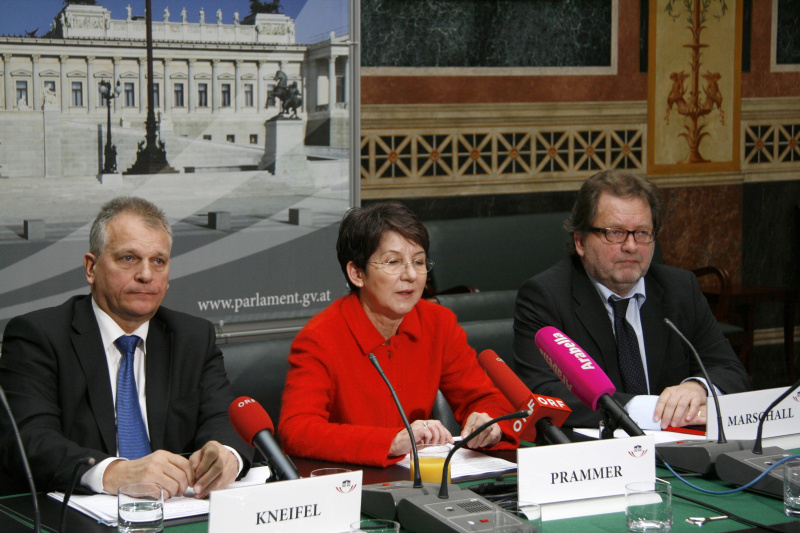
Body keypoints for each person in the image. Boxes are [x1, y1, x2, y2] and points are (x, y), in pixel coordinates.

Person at [0, 197, 251, 498]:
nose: (146, 274)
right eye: (129, 258)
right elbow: (28, 441)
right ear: (91, 268)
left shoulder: (192, 337)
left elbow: (226, 419)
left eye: (158, 261)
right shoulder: (39, 336)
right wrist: (113, 473)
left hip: (176, 510)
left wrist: (224, 456)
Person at [278, 202, 519, 466]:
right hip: (350, 481)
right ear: (357, 273)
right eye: (393, 262)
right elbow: (297, 430)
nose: (411, 275)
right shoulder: (320, 338)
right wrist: (391, 442)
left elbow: (485, 400)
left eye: (418, 261)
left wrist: (487, 424)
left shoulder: (437, 323)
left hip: (421, 477)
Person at [513, 170, 750, 431]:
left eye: (642, 233)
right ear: (580, 241)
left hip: (681, 449)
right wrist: (648, 409)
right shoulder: (545, 296)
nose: (631, 246)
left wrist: (698, 388)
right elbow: (544, 392)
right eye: (615, 233)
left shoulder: (680, 288)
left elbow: (731, 371)